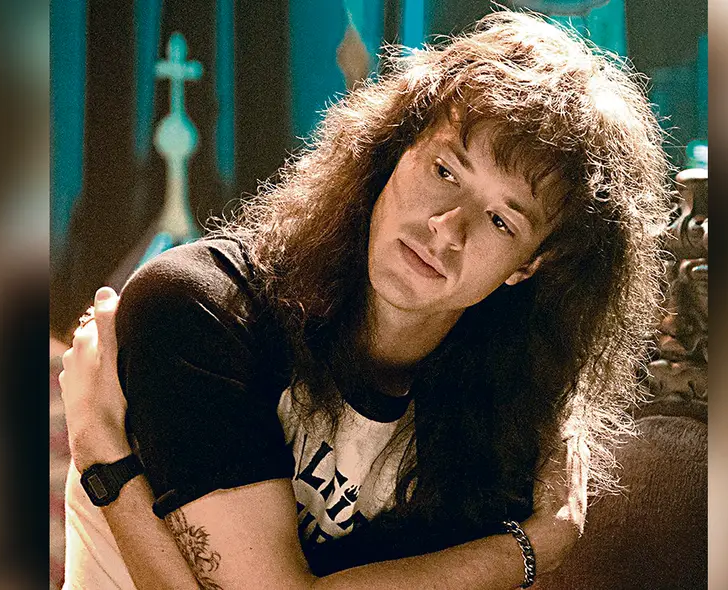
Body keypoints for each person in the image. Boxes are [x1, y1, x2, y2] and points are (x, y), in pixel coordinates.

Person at [60, 10, 670, 590]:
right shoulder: (200, 309)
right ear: (395, 151)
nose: (446, 229)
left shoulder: (507, 407)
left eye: (500, 221)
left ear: (531, 265)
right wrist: (536, 544)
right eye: (445, 171)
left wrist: (106, 457)